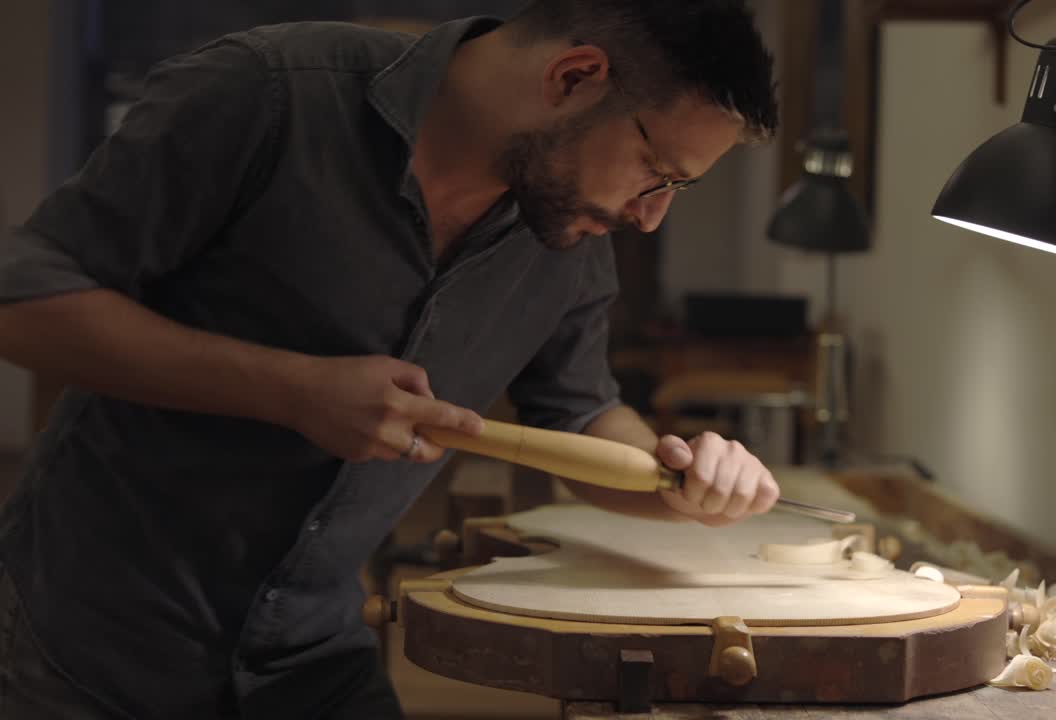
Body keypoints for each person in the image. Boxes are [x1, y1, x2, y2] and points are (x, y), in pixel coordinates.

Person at [0, 1, 782, 718]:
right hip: (85, 640)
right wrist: (294, 390)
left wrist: (677, 476)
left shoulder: (566, 226)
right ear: (574, 77)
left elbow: (578, 411)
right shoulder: (269, 95)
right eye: (658, 173)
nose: (651, 218)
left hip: (309, 653)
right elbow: (23, 301)